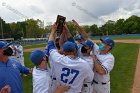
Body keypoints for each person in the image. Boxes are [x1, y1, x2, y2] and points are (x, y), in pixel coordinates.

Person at [47, 23, 94, 93]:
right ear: (75, 50)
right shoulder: (84, 64)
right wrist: (66, 29)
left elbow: (50, 45)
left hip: (61, 90)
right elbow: (89, 79)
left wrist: (53, 30)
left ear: (63, 51)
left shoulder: (58, 59)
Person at [72, 20, 115, 93]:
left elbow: (101, 71)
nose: (101, 43)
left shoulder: (110, 58)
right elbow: (86, 37)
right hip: (92, 84)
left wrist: (94, 59)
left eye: (104, 43)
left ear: (108, 47)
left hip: (103, 87)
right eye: (102, 42)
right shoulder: (97, 49)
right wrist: (78, 27)